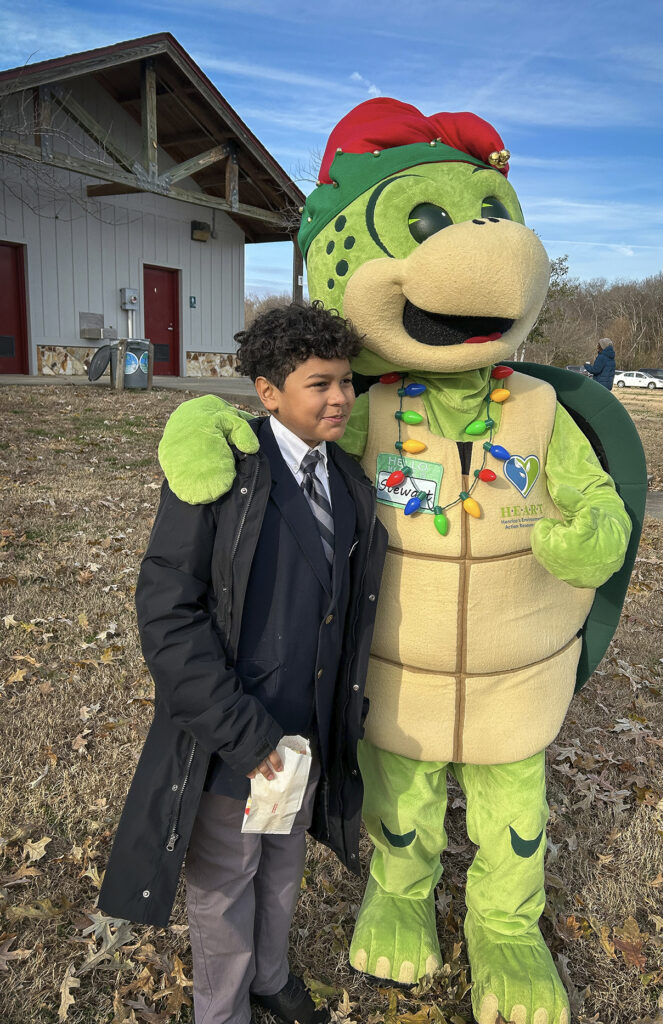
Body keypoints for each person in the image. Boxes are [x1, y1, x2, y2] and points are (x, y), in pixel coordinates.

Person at [98, 301, 388, 1024]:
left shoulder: (349, 481)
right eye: (319, 383)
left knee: (282, 864)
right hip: (237, 738)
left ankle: (271, 976)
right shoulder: (225, 472)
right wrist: (245, 734)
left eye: (347, 382)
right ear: (267, 393)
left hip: (307, 732)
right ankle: (222, 1010)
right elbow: (168, 616)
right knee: (226, 879)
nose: (340, 398)